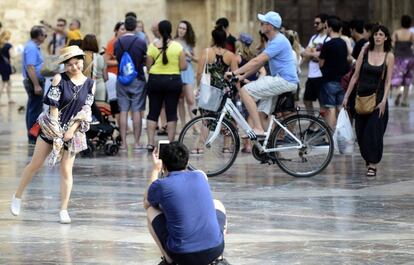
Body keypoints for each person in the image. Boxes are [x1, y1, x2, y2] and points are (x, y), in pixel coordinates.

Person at [10, 45, 96, 223]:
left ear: (82, 60)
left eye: (77, 62)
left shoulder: (90, 84)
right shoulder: (59, 79)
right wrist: (57, 133)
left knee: (66, 170)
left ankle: (63, 209)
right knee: (35, 164)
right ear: (64, 65)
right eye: (69, 64)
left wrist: (71, 130)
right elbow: (54, 106)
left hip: (74, 131)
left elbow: (85, 111)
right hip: (52, 127)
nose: (74, 67)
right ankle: (17, 196)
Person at [144, 142, 230, 265]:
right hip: (214, 250)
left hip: (182, 256)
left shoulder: (161, 185)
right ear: (188, 160)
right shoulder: (200, 176)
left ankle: (169, 260)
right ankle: (219, 259)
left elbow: (147, 203)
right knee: (217, 204)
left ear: (163, 164)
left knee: (151, 211)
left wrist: (155, 169)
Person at [227, 11, 299, 136]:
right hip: (280, 80)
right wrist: (242, 76)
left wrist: (234, 73)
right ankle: (271, 148)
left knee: (245, 91)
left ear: (270, 26)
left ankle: (259, 129)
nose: (260, 25)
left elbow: (257, 60)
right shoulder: (272, 41)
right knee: (260, 114)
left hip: (284, 80)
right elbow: (259, 64)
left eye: (262, 23)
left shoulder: (278, 41)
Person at [342, 25, 394, 177]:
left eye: (381, 34)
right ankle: (368, 157)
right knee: (361, 133)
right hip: (360, 97)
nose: (378, 37)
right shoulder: (365, 51)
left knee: (374, 133)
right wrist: (346, 96)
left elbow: (388, 81)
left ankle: (373, 164)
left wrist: (384, 100)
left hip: (377, 98)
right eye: (376, 34)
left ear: (386, 38)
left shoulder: (389, 56)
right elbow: (355, 75)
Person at [145, 20, 187, 152]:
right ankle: (170, 142)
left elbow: (148, 67)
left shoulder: (152, 46)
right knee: (171, 112)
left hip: (155, 80)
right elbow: (183, 66)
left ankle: (150, 143)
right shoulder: (178, 47)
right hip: (172, 81)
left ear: (159, 30)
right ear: (170, 30)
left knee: (153, 112)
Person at [114, 16, 147, 151]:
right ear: (134, 27)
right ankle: (137, 143)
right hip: (137, 78)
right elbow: (144, 59)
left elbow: (117, 58)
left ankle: (123, 143)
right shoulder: (140, 41)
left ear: (125, 26)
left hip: (121, 79)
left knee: (123, 110)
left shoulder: (118, 42)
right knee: (136, 111)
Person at [319, 16, 350, 130]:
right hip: (341, 80)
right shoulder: (343, 43)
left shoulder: (327, 44)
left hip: (329, 80)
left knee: (330, 108)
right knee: (340, 108)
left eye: (326, 27)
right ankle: (342, 133)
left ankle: (330, 136)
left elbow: (321, 63)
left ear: (330, 28)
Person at [22, 25, 48, 144]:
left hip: (35, 81)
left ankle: (31, 134)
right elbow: (30, 67)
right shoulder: (32, 48)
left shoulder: (33, 46)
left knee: (32, 108)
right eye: (44, 35)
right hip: (34, 82)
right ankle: (33, 136)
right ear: (39, 36)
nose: (45, 37)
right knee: (35, 110)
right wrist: (36, 85)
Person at [301, 13, 329, 116]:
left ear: (324, 23)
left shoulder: (328, 39)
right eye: (314, 23)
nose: (315, 25)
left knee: (322, 102)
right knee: (306, 100)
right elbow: (304, 53)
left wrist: (311, 53)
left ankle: (323, 125)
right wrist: (314, 54)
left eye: (317, 23)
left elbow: (324, 56)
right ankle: (312, 122)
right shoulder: (313, 38)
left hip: (321, 75)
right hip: (311, 74)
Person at [174, 20, 197, 127]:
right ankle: (183, 125)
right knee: (180, 99)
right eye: (180, 28)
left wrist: (189, 55)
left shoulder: (190, 43)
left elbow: (196, 59)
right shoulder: (173, 42)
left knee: (191, 99)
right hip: (176, 70)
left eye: (184, 29)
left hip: (187, 71)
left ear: (187, 31)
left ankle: (194, 124)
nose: (181, 30)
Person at [104, 21, 125, 125]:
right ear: (116, 31)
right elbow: (106, 61)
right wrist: (120, 62)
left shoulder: (125, 42)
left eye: (125, 29)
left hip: (123, 77)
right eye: (121, 29)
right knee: (115, 105)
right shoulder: (112, 43)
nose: (124, 31)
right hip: (113, 77)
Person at [391, 15, 414, 107]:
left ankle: (397, 93)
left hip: (398, 58)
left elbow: (392, 44)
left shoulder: (396, 33)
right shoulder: (411, 34)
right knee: (407, 79)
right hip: (409, 58)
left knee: (397, 78)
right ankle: (405, 100)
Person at [82, 34, 108, 102]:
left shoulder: (80, 57)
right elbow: (106, 77)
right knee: (100, 110)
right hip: (99, 86)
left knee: (84, 110)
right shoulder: (101, 57)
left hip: (84, 87)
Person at [0, 30, 15, 105]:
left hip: (1, 65)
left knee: (9, 82)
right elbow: (12, 56)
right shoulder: (8, 45)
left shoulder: (0, 45)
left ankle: (10, 98)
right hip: (6, 66)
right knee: (3, 83)